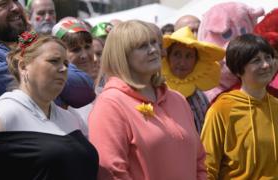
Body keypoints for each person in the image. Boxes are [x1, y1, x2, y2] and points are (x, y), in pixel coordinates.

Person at [0, 32, 99, 180]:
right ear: (24, 66)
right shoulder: (1, 118)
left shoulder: (68, 117)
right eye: (54, 61)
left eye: (65, 63)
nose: (63, 69)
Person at [88, 20, 206, 180]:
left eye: (154, 43)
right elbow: (111, 171)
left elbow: (199, 160)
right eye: (142, 46)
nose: (153, 50)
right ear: (122, 55)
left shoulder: (177, 99)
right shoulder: (110, 104)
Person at [0, 0, 95, 129]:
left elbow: (85, 89)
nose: (16, 7)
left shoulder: (24, 45)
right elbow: (36, 107)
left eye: (16, 0)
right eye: (3, 3)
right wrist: (60, 96)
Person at [201, 34, 278, 179]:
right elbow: (207, 166)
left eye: (268, 57)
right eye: (256, 60)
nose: (266, 65)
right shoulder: (221, 109)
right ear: (238, 70)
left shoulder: (276, 105)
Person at [161, 26, 225, 134]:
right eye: (177, 55)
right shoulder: (157, 92)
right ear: (167, 57)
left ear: (196, 60)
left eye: (189, 56)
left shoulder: (201, 96)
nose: (182, 62)